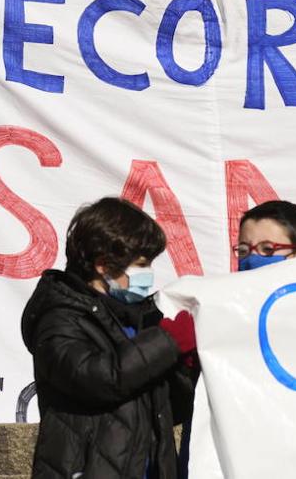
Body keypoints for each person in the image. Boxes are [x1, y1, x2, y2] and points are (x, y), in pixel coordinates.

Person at [21, 197, 197, 479]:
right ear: (103, 265)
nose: (148, 274)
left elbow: (168, 410)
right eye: (140, 264)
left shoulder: (139, 319)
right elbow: (97, 378)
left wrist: (184, 365)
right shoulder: (59, 317)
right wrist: (168, 342)